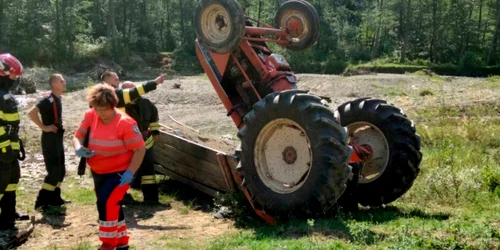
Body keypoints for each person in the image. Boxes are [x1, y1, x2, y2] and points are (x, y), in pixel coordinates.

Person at [72, 84, 146, 250]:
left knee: (106, 203)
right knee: (113, 205)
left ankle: (108, 243)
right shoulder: (90, 115)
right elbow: (78, 136)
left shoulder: (125, 123)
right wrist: (78, 147)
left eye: (104, 109)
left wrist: (130, 172)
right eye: (97, 108)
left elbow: (140, 149)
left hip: (121, 172)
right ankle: (121, 242)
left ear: (113, 105)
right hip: (98, 171)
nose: (100, 113)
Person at [28, 73, 71, 211]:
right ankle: (41, 201)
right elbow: (31, 112)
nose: (64, 83)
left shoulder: (58, 98)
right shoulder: (47, 99)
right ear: (54, 84)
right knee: (53, 171)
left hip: (57, 137)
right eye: (61, 81)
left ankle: (55, 198)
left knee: (61, 170)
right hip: (49, 139)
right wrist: (43, 127)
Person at [0, 53, 29, 230]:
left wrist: (15, 147)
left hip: (9, 145)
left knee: (11, 180)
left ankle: (8, 214)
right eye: (13, 75)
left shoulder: (5, 94)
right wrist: (4, 148)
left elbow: (11, 125)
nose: (15, 79)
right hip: (2, 147)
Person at [121, 82, 161, 203]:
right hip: (127, 144)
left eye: (133, 89)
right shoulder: (120, 107)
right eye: (129, 91)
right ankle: (122, 196)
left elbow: (154, 116)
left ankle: (151, 198)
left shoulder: (146, 103)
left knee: (148, 170)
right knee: (125, 169)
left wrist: (155, 131)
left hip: (145, 141)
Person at [99, 70, 166, 111]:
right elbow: (134, 92)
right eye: (116, 80)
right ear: (108, 83)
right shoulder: (115, 94)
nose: (119, 82)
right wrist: (155, 82)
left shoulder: (98, 95)